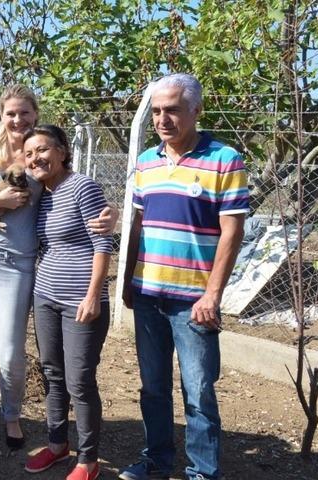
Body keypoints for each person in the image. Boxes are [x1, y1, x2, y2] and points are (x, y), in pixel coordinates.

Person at [0, 85, 117, 451]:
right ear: (1, 115)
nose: (17, 119)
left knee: (10, 349)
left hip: (18, 261)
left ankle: (12, 416)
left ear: (35, 115)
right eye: (11, 113)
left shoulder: (39, 158)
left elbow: (72, 193)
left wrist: (112, 212)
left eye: (24, 113)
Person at [120, 73, 248, 480]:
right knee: (152, 388)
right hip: (148, 296)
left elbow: (232, 230)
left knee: (199, 393)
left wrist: (212, 295)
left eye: (172, 110)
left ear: (196, 111)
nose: (162, 118)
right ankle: (156, 460)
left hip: (194, 303)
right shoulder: (145, 162)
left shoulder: (224, 159)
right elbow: (137, 226)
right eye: (156, 111)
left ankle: (202, 473)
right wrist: (127, 281)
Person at [21, 125, 112, 480]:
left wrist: (93, 295)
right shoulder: (43, 193)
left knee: (79, 381)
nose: (35, 159)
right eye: (28, 154)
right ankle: (57, 444)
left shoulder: (82, 186)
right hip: (45, 296)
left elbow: (103, 244)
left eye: (42, 150)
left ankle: (88, 460)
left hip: (79, 301)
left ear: (61, 151)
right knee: (53, 374)